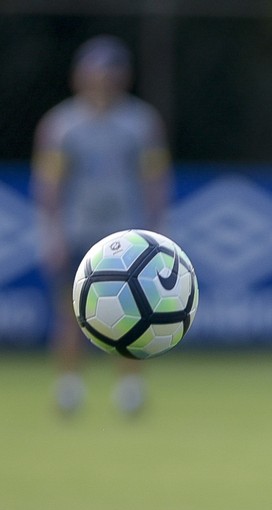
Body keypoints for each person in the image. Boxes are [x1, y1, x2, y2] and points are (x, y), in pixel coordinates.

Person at [33, 35, 172, 417]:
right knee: (69, 311)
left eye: (112, 71)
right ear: (81, 75)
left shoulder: (141, 122)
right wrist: (51, 231)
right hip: (79, 230)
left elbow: (154, 179)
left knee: (136, 313)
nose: (104, 79)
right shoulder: (62, 124)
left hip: (127, 236)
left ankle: (129, 388)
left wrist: (159, 229)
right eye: (97, 70)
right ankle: (69, 387)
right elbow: (49, 184)